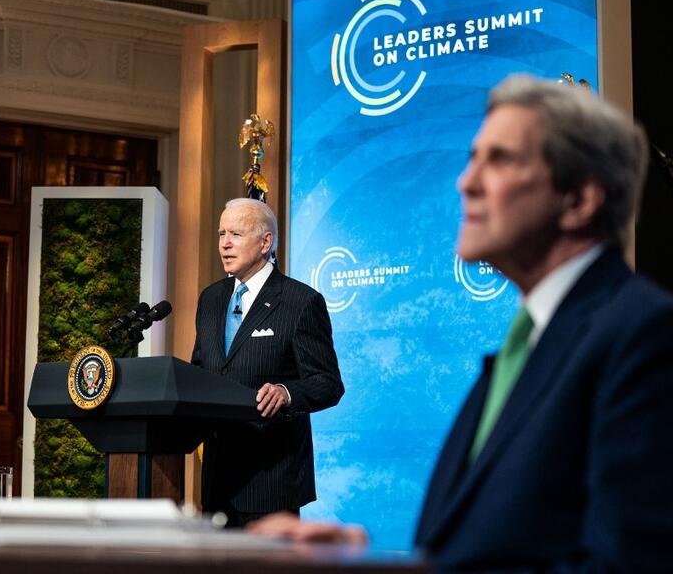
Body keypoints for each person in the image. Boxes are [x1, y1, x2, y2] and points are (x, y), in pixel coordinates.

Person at [250, 75, 673, 571]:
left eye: (501, 160)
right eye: (474, 158)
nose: (466, 181)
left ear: (579, 198)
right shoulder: (532, 342)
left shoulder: (645, 337)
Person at [191, 197, 344, 527]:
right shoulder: (211, 298)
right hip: (217, 480)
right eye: (221, 234)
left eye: (236, 234)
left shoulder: (301, 302)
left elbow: (328, 384)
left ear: (265, 242)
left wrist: (287, 393)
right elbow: (200, 368)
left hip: (271, 481)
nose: (225, 244)